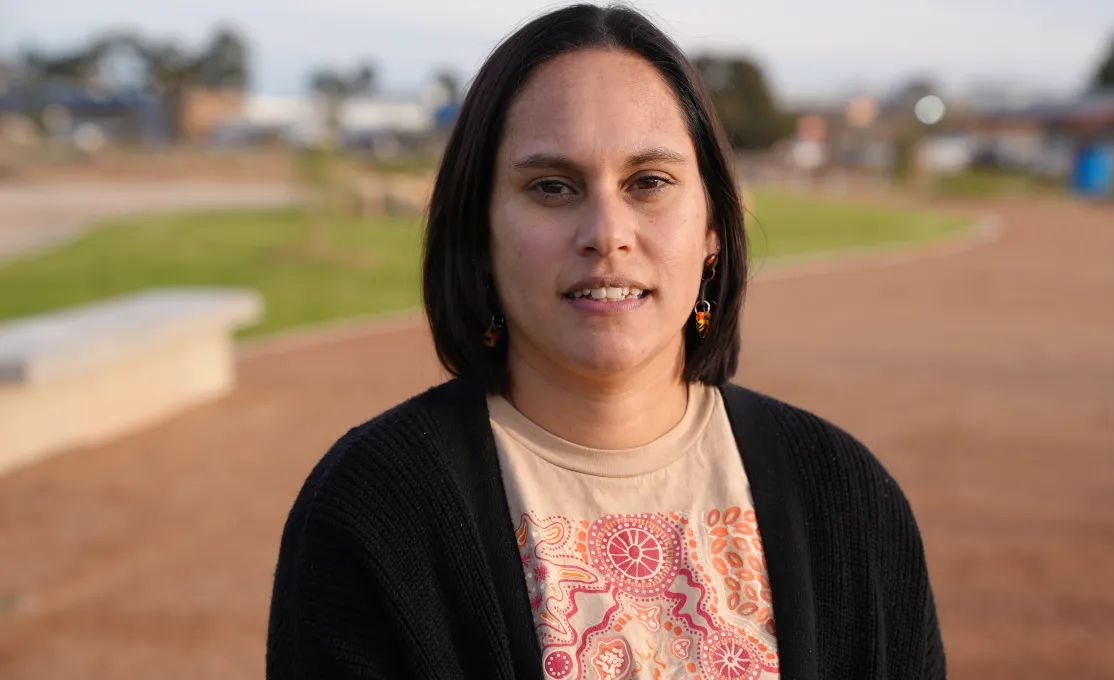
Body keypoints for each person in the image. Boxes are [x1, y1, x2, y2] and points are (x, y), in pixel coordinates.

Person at [266, 4, 945, 679]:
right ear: (480, 232)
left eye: (648, 183)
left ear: (712, 223)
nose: (606, 231)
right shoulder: (374, 511)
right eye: (551, 187)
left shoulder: (847, 499)